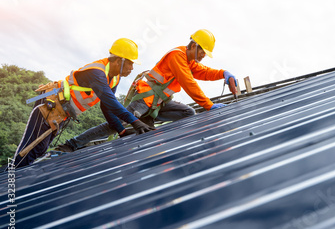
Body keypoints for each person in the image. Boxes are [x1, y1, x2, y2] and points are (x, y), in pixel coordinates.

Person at [56, 29, 237, 152]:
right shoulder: (177, 56)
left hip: (159, 104)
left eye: (205, 53)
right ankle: (72, 145)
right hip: (144, 100)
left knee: (187, 113)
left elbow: (203, 73)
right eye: (202, 51)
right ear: (193, 46)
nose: (203, 56)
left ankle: (151, 131)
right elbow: (188, 82)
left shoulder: (190, 62)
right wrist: (208, 105)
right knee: (115, 124)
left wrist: (223, 74)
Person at [12, 38, 154, 168]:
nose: (132, 68)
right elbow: (110, 102)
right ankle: (8, 185)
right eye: (130, 63)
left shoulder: (114, 78)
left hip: (60, 114)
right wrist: (135, 122)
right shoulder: (97, 72)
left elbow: (106, 107)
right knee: (28, 153)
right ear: (119, 61)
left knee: (39, 150)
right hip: (49, 108)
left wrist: (121, 130)